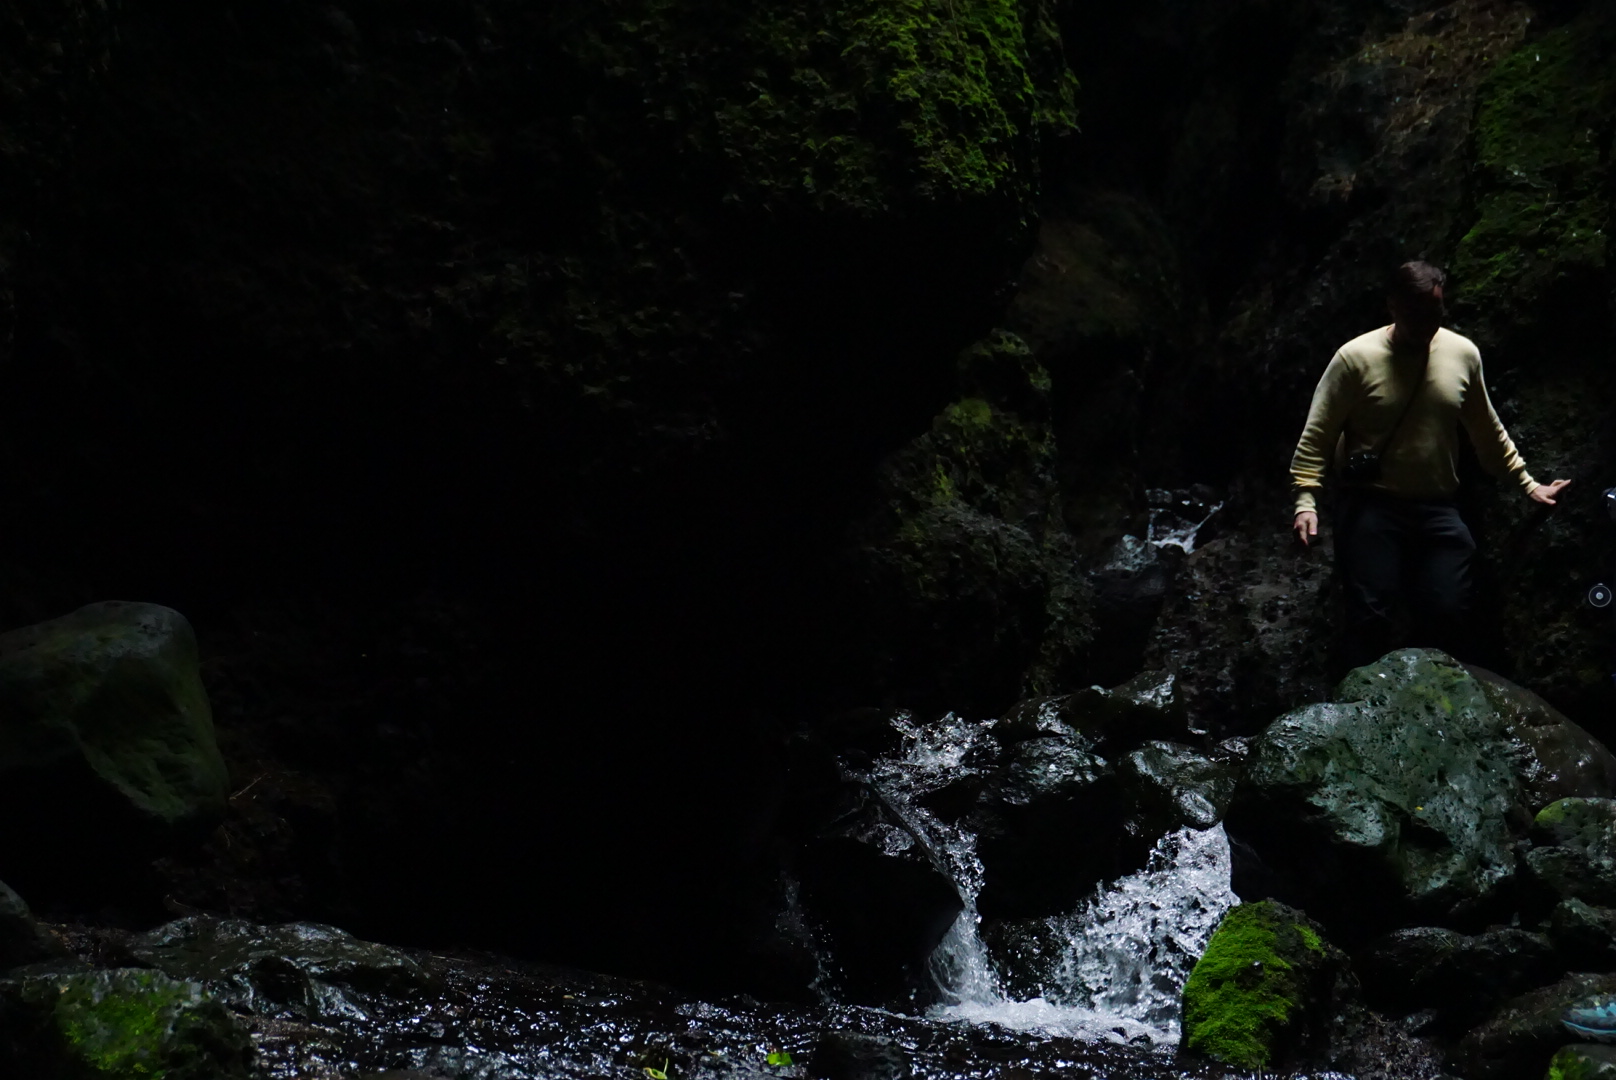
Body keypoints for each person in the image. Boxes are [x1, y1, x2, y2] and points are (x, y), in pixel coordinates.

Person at [1288, 261, 1571, 666]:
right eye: (1416, 314)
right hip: (1373, 502)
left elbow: (1486, 429)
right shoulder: (1355, 359)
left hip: (1437, 505)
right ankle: (1357, 696)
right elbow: (1319, 432)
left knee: (1449, 608)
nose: (1427, 325)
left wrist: (1528, 483)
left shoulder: (1461, 354)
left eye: (1435, 312)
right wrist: (1306, 501)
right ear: (1393, 306)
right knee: (1371, 615)